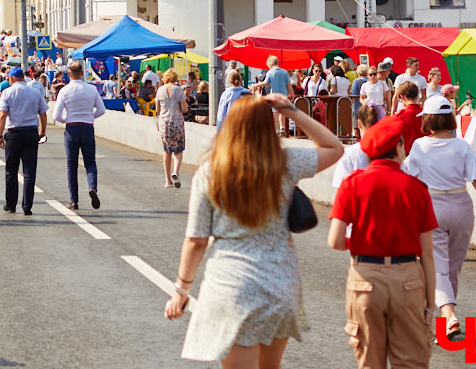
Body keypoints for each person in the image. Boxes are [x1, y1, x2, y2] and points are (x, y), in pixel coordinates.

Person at [164, 94, 343, 366]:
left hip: (232, 286)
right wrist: (291, 110)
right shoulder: (284, 163)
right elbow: (334, 147)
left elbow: (196, 240)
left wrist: (181, 289)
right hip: (280, 284)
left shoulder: (212, 172)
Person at [328, 116, 438, 367]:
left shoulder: (352, 184)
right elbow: (428, 253)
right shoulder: (416, 189)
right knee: (411, 361)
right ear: (399, 147)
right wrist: (431, 305)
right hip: (407, 279)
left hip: (365, 278)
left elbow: (334, 240)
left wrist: (359, 241)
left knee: (369, 361)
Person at [403, 94, 476, 341]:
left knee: (436, 266)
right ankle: (446, 319)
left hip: (432, 205)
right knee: (453, 266)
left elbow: (408, 177)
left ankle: (449, 315)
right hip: (461, 205)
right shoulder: (462, 146)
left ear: (428, 120)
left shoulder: (420, 146)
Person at [53, 60, 107, 211]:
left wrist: (67, 119)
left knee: (72, 165)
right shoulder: (91, 89)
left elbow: (56, 115)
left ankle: (74, 200)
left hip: (71, 128)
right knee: (90, 162)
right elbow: (102, 110)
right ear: (82, 73)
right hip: (87, 127)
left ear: (69, 74)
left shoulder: (64, 91)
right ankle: (92, 187)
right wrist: (90, 116)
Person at [0, 66, 48, 215]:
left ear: (11, 79)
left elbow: (2, 115)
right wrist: (42, 131)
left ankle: (11, 204)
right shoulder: (35, 92)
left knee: (11, 170)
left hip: (14, 133)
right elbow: (43, 114)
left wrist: (0, 135)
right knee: (29, 171)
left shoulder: (7, 92)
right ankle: (27, 207)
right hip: (31, 132)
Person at [156, 68, 188, 188]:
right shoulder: (179, 90)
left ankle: (167, 180)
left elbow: (158, 109)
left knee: (166, 151)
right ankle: (175, 171)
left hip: (164, 123)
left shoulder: (160, 90)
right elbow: (184, 109)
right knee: (178, 150)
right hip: (177, 122)